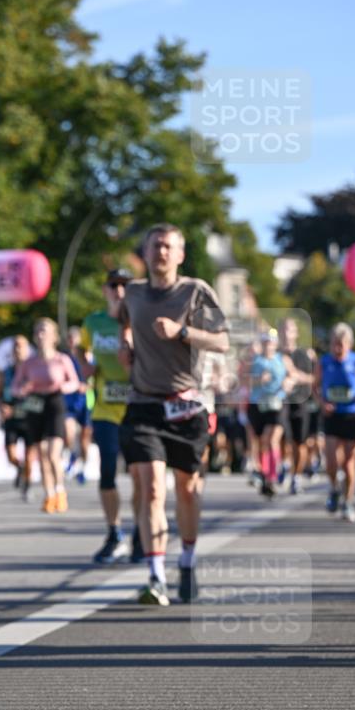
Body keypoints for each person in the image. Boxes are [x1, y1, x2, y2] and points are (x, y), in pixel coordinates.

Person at [118, 223, 229, 605]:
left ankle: (187, 559)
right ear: (145, 253)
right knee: (149, 488)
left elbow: (222, 341)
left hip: (186, 406)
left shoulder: (195, 291)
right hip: (144, 402)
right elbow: (124, 322)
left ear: (180, 254)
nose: (161, 252)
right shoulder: (132, 292)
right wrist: (126, 346)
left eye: (168, 247)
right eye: (155, 246)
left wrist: (182, 333)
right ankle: (155, 576)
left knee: (187, 490)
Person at [81, 267, 141, 563]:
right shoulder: (93, 322)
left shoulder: (142, 321)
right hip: (105, 408)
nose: (119, 290)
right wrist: (84, 364)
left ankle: (141, 530)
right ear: (105, 290)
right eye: (113, 285)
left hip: (137, 407)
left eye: (125, 285)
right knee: (107, 472)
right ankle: (114, 531)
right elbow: (80, 347)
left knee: (140, 475)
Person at [13, 317, 79, 513]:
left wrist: (62, 386)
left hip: (55, 402)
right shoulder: (28, 362)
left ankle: (60, 490)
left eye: (45, 331)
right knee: (41, 454)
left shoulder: (62, 359)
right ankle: (49, 494)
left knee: (52, 453)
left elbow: (74, 382)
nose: (41, 335)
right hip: (35, 404)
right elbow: (15, 387)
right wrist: (23, 389)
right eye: (38, 331)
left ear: (54, 337)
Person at [315, 323, 355, 522]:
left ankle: (348, 502)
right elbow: (314, 387)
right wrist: (322, 403)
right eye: (334, 344)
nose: (337, 349)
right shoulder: (324, 362)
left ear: (349, 344)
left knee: (349, 461)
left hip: (353, 416)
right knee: (332, 460)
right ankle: (334, 488)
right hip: (333, 415)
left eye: (341, 344)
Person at [247, 328, 297, 498]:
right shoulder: (255, 361)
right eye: (265, 342)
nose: (268, 345)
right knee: (263, 441)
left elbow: (294, 376)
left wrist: (288, 382)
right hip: (259, 405)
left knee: (273, 438)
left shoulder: (282, 359)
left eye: (271, 342)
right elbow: (243, 380)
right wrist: (258, 380)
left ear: (275, 344)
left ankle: (272, 476)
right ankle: (265, 473)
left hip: (277, 404)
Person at [0, 334, 36, 501]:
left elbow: (39, 394)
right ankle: (19, 469)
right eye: (15, 346)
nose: (18, 349)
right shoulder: (5, 372)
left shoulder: (34, 371)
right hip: (11, 418)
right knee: (11, 455)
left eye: (21, 346)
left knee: (29, 456)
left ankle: (27, 485)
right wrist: (2, 406)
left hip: (30, 418)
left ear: (27, 349)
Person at [279, 317, 316, 494]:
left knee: (299, 443)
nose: (286, 333)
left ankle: (297, 475)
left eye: (290, 329)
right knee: (281, 438)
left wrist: (296, 377)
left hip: (300, 402)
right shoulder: (275, 354)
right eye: (283, 329)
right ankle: (283, 468)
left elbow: (314, 378)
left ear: (296, 333)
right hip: (280, 403)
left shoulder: (303, 355)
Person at [62, 326, 92, 485]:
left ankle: (82, 467)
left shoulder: (90, 357)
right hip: (69, 401)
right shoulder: (64, 359)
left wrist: (88, 386)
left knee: (85, 440)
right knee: (69, 434)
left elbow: (96, 378)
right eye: (70, 338)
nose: (72, 342)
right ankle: (72, 457)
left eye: (75, 338)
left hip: (87, 402)